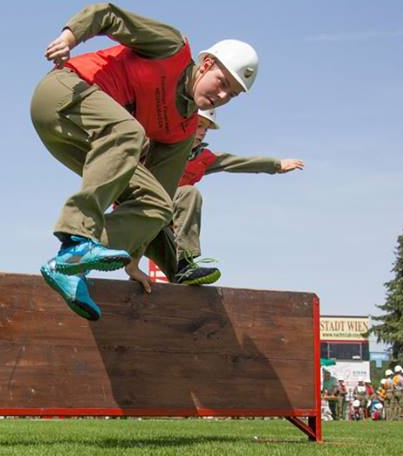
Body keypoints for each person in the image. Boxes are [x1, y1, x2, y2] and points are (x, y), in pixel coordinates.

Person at [31, 3, 259, 320]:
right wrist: (71, 36)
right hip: (63, 93)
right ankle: (77, 234)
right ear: (206, 65)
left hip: (84, 139)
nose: (222, 96)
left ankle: (68, 266)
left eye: (231, 95)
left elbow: (155, 199)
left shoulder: (184, 129)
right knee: (131, 132)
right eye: (222, 83)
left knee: (158, 204)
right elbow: (107, 14)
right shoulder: (172, 48)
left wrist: (132, 261)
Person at [141, 109, 304, 285]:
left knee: (178, 274)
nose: (203, 132)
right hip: (139, 211)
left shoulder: (202, 158)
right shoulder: (160, 144)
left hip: (161, 227)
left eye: (206, 129)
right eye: (199, 125)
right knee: (188, 193)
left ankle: (184, 267)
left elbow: (236, 162)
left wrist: (276, 165)